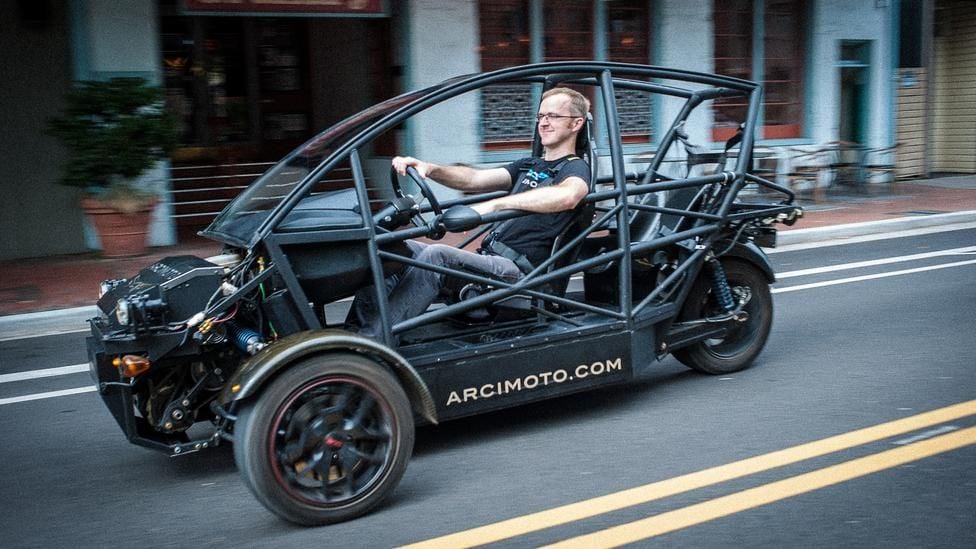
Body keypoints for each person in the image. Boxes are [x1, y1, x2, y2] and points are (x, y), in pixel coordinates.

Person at [349, 87, 592, 340]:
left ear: (576, 123)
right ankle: (354, 333)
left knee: (437, 256)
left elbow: (570, 194)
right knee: (392, 247)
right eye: (541, 116)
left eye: (553, 116)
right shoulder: (529, 165)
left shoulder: (575, 167)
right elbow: (473, 178)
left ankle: (374, 341)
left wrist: (497, 205)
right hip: (490, 258)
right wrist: (429, 168)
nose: (543, 122)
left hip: (520, 272)